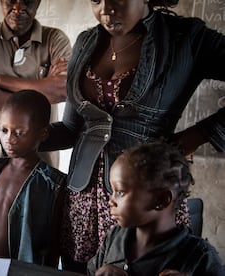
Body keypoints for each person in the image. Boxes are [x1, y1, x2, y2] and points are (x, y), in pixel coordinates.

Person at [36, 0, 225, 272]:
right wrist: (3, 134)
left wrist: (198, 135)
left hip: (143, 199)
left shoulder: (185, 39)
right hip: (82, 199)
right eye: (96, 0)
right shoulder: (86, 42)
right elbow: (71, 129)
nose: (106, 8)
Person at [87, 142, 225, 276]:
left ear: (161, 200)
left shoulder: (200, 256)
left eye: (120, 192)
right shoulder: (115, 236)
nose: (111, 201)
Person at [0, 0, 72, 168]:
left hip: (40, 154)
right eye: (10, 1)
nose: (18, 8)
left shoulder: (55, 40)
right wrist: (43, 86)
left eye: (27, 1)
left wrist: (1, 81)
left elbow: (62, 90)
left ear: (38, 2)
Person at [0, 90, 66, 266]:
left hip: (25, 269)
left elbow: (55, 241)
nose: (9, 139)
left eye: (19, 133)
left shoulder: (52, 184)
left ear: (43, 134)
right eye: (4, 130)